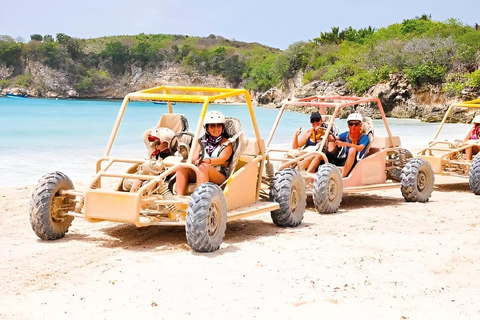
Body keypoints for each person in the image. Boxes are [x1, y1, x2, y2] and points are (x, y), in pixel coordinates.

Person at [175, 111, 233, 196]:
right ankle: (179, 198)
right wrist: (195, 160)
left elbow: (222, 159)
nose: (216, 128)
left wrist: (208, 161)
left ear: (222, 127)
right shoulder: (201, 141)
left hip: (219, 174)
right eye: (212, 126)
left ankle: (200, 198)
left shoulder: (227, 143)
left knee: (203, 167)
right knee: (182, 166)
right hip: (201, 169)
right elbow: (194, 158)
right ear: (207, 128)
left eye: (219, 125)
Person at [332, 113, 370, 177]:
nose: (353, 127)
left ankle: (343, 177)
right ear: (348, 125)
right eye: (351, 124)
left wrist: (345, 144)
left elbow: (360, 148)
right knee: (326, 149)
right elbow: (334, 138)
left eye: (356, 124)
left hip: (356, 162)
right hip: (345, 159)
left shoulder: (364, 137)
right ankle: (311, 171)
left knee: (352, 150)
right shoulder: (347, 134)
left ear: (360, 125)